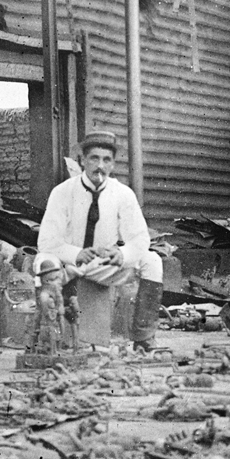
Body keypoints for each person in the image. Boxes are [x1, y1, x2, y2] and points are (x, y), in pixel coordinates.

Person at [37, 129, 165, 351]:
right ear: (82, 160)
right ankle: (54, 334)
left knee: (152, 260)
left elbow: (140, 239)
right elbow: (47, 240)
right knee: (43, 261)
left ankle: (144, 337)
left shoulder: (123, 194)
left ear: (113, 164)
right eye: (94, 158)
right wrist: (75, 253)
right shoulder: (62, 192)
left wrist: (122, 254)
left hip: (102, 266)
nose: (100, 166)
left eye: (107, 160)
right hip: (67, 265)